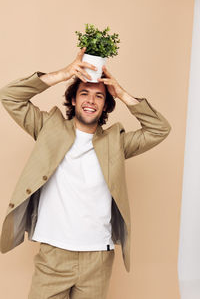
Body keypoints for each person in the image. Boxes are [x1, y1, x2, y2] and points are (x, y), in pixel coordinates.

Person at [0, 47, 171, 299]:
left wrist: (121, 93)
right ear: (73, 99)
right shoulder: (49, 128)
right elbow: (10, 96)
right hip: (53, 256)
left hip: (97, 258)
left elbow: (159, 129)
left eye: (99, 97)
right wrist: (64, 73)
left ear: (105, 106)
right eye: (84, 93)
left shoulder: (116, 142)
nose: (90, 101)